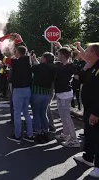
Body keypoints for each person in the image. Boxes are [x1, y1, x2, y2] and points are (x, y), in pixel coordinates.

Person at [0, 34, 34, 143]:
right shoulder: (29, 60)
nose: (15, 52)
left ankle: (17, 135)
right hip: (28, 89)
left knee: (17, 113)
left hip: (18, 90)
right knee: (26, 113)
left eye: (16, 51)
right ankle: (30, 135)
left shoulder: (14, 62)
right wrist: (20, 39)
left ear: (18, 53)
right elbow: (25, 48)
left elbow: (1, 57)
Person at [74, 42, 99, 178]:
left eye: (87, 50)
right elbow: (79, 79)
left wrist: (96, 112)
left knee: (96, 137)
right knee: (89, 134)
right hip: (89, 108)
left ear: (94, 53)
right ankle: (88, 158)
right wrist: (84, 68)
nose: (84, 53)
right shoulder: (92, 66)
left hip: (95, 110)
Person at [53, 45, 80, 147]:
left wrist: (75, 83)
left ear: (63, 55)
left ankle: (74, 139)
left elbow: (77, 76)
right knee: (62, 115)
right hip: (60, 93)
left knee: (67, 117)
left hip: (65, 94)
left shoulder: (70, 66)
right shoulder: (61, 65)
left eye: (59, 54)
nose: (57, 55)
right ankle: (65, 134)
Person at [30, 52, 57, 143]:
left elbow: (32, 69)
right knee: (43, 113)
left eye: (42, 57)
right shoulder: (54, 68)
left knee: (36, 113)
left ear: (45, 59)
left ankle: (38, 133)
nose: (40, 58)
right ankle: (46, 132)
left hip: (37, 92)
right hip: (47, 93)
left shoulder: (38, 67)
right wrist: (35, 60)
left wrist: (32, 60)